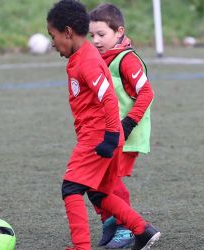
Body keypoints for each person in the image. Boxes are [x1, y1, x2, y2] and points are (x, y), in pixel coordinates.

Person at [46, 1, 160, 250]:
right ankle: (142, 230)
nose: (52, 43)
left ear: (67, 32)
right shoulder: (81, 57)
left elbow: (108, 96)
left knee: (71, 188)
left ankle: (81, 247)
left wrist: (111, 135)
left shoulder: (87, 60)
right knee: (99, 193)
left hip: (98, 136)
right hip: (103, 134)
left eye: (52, 36)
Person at [88, 3, 155, 248]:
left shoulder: (127, 60)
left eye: (101, 35)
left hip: (126, 134)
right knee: (93, 180)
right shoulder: (101, 58)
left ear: (119, 32)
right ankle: (111, 223)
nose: (95, 40)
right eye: (91, 35)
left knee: (110, 182)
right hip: (106, 133)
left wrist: (127, 125)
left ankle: (127, 228)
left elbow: (147, 93)